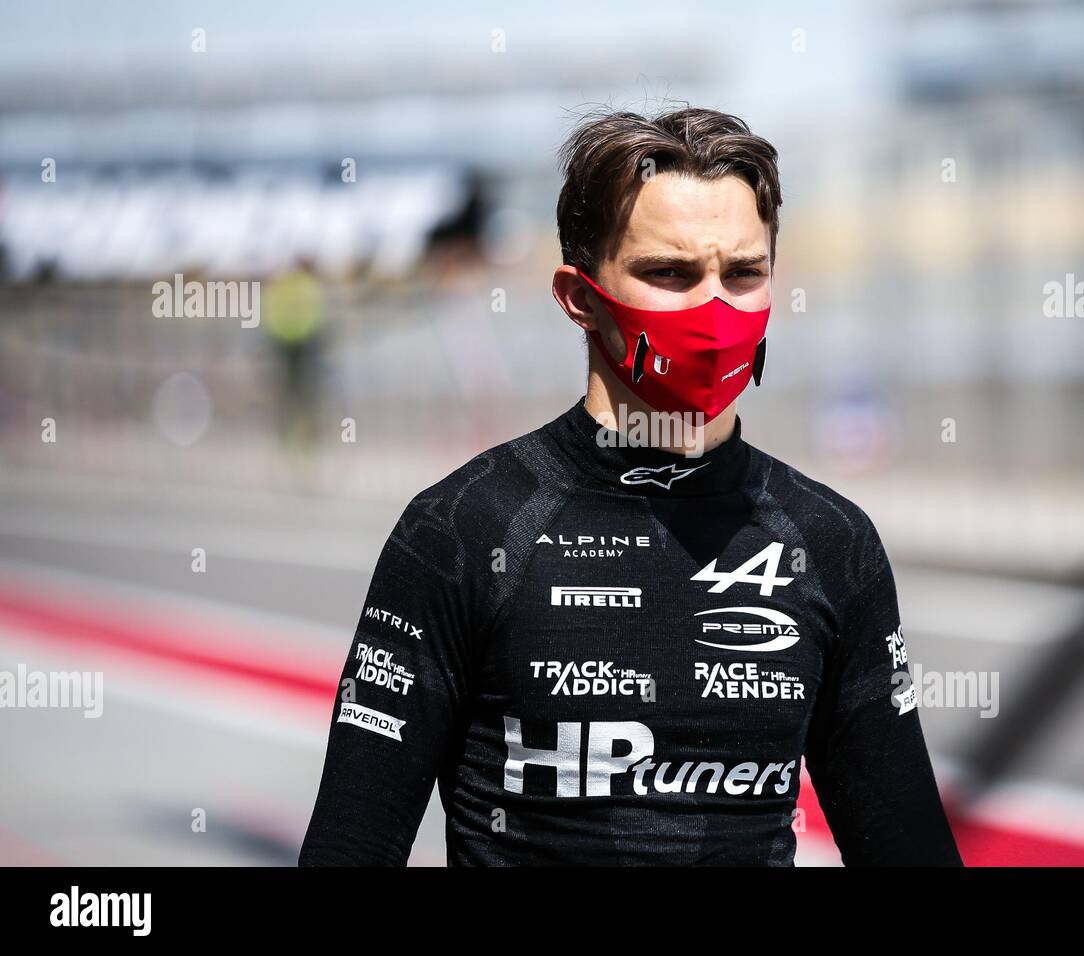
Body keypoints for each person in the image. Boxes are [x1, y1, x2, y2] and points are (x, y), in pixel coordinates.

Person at [299, 106, 963, 866]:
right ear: (579, 298)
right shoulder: (461, 529)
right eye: (669, 274)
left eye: (743, 273)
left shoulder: (831, 541)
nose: (714, 309)